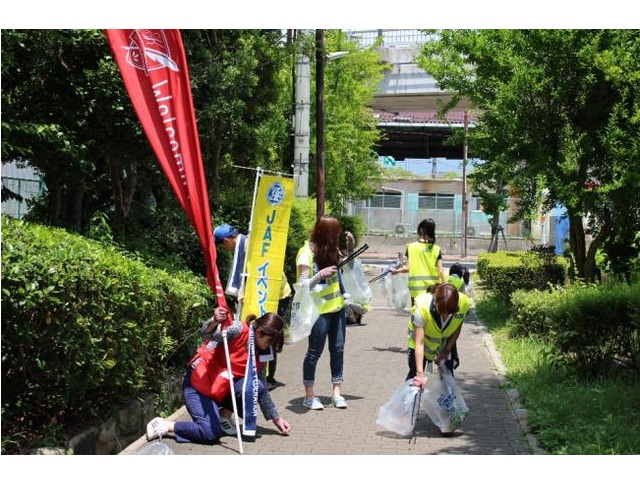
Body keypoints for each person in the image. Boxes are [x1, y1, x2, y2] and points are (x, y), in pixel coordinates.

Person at [145, 310, 291, 444]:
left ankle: (223, 416)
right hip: (198, 384)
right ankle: (165, 425)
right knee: (210, 433)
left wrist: (276, 418)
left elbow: (261, 388)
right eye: (269, 342)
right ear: (259, 332)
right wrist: (214, 321)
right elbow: (206, 334)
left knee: (256, 385)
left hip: (220, 388)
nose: (269, 346)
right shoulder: (238, 329)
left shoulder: (262, 353)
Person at [214, 223, 292, 390]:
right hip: (264, 293)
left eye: (223, 245)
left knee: (268, 333)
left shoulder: (249, 246)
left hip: (275, 294)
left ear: (227, 240)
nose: (225, 249)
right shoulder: (246, 244)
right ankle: (263, 375)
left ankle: (268, 378)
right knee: (261, 333)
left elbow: (257, 272)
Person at [296, 215, 354, 410]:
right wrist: (319, 275)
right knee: (314, 352)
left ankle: (337, 393)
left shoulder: (331, 249)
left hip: (337, 309)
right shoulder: (306, 253)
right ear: (326, 234)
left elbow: (349, 267)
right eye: (334, 234)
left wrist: (351, 248)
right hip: (317, 312)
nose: (336, 237)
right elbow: (302, 285)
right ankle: (309, 395)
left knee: (338, 349)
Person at [407, 283, 471, 384]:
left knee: (447, 379)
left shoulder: (464, 303)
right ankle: (410, 399)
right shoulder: (422, 307)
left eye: (449, 312)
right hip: (421, 345)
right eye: (442, 312)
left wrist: (446, 350)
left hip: (444, 344)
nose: (445, 316)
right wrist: (419, 374)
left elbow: (457, 328)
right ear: (435, 302)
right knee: (415, 379)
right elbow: (419, 342)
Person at [390, 218, 446, 303]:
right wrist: (446, 287)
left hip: (416, 291)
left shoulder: (411, 247)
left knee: (416, 314)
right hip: (432, 290)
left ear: (421, 230)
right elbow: (441, 271)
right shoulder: (436, 249)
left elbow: (408, 268)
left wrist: (397, 271)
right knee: (431, 314)